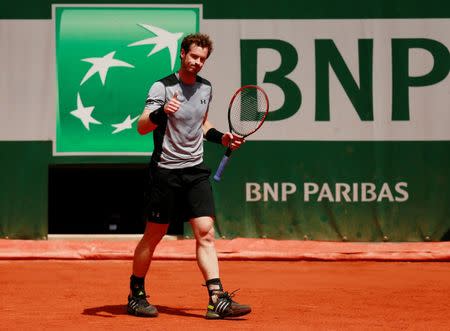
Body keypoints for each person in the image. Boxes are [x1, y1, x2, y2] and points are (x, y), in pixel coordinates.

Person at [127, 33, 251, 319]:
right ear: (182, 54)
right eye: (193, 56)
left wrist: (222, 138)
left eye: (202, 59)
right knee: (153, 236)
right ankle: (136, 293)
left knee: (205, 232)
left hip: (195, 171)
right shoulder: (162, 87)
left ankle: (216, 298)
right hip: (165, 172)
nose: (197, 62)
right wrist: (161, 112)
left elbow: (202, 123)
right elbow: (142, 126)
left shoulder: (206, 87)